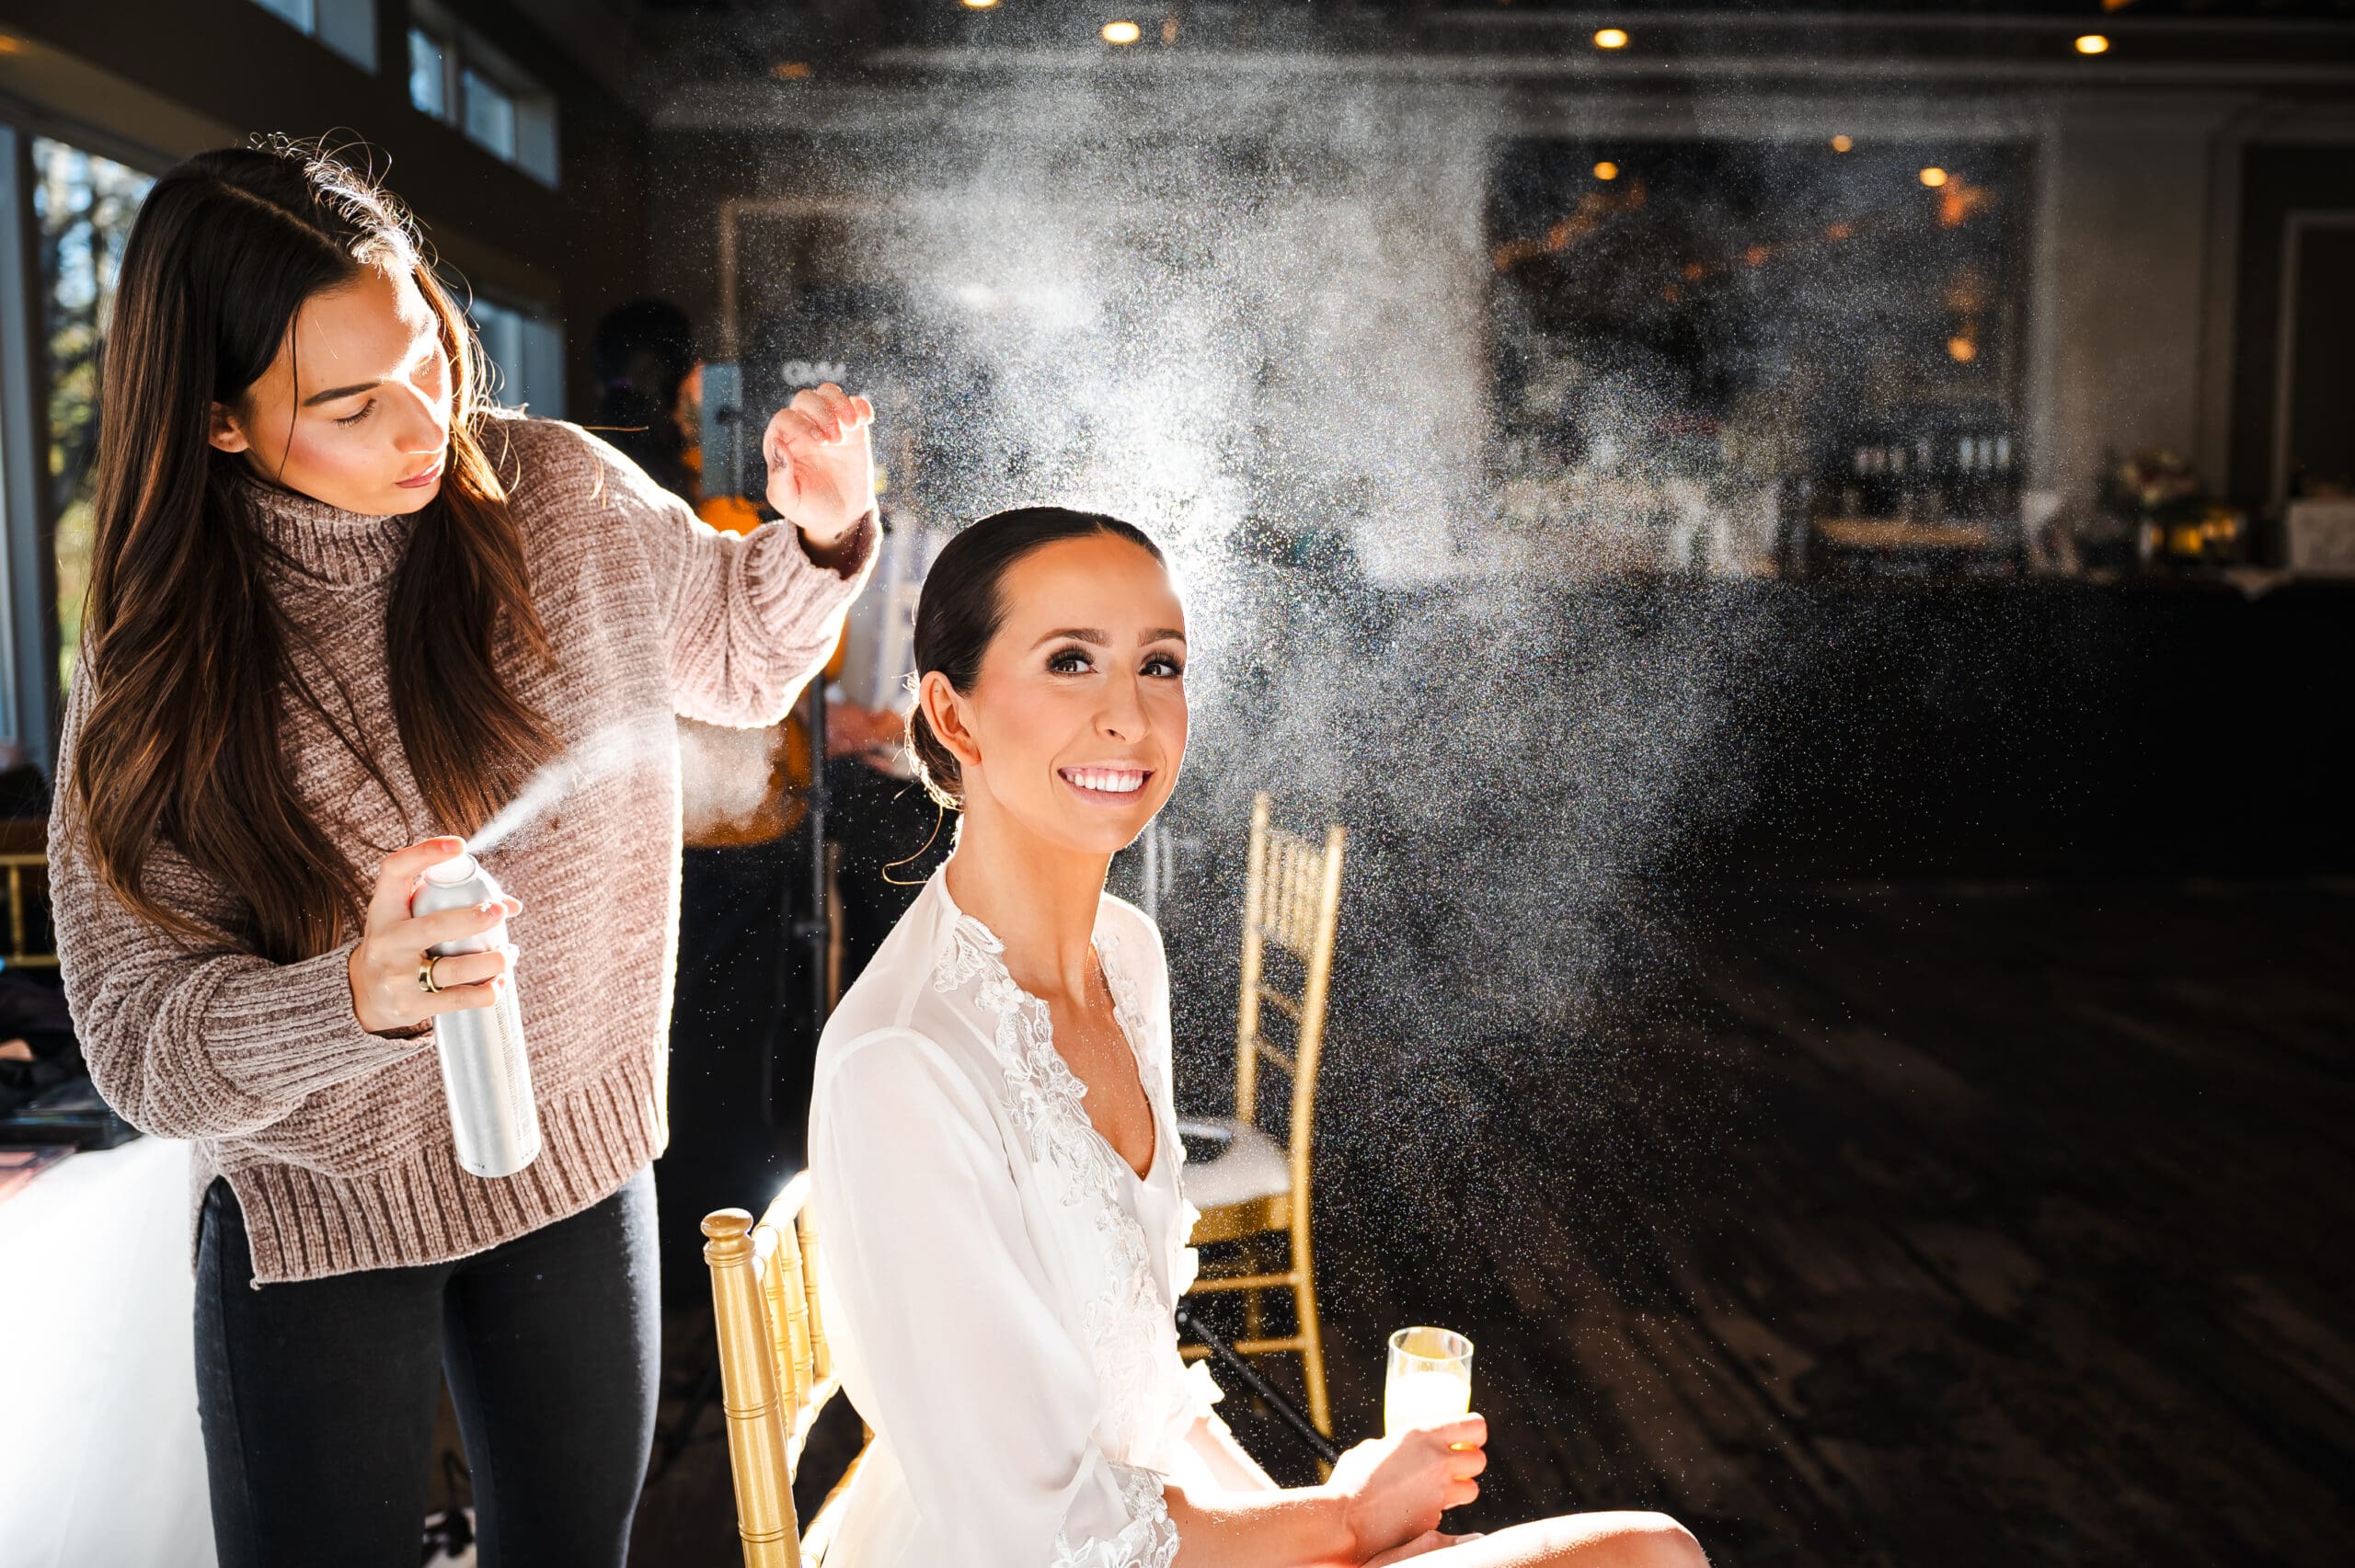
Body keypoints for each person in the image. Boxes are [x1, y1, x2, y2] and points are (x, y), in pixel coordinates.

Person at [45, 138, 877, 1568]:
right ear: (223, 423)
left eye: (428, 355)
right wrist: (352, 997)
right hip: (312, 1210)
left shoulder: (552, 498)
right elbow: (138, 1047)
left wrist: (821, 532)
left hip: (572, 1158)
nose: (424, 421)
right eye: (352, 405)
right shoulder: (159, 672)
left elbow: (738, 660)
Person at [808, 509, 1706, 1567]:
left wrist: (1324, 1525)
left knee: (1647, 1549)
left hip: (1161, 1534)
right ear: (953, 718)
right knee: (1650, 1554)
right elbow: (1038, 1531)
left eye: (1159, 664)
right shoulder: (903, 1064)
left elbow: (1149, 1396)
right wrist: (1348, 1521)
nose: (1128, 718)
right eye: (1068, 661)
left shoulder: (1124, 954)